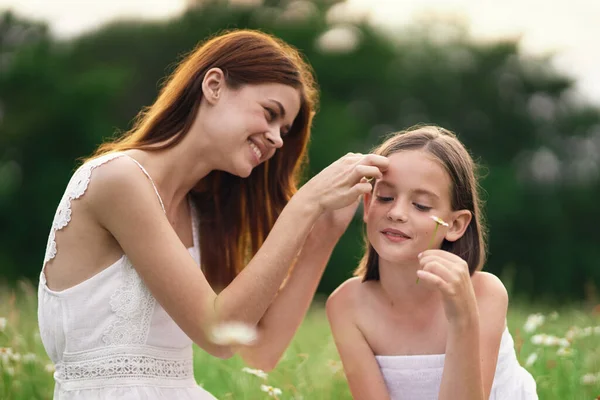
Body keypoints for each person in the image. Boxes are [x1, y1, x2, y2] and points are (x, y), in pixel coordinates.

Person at [37, 29, 389, 399]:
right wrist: (305, 205)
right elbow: (217, 332)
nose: (277, 139)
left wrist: (324, 233)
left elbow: (261, 351)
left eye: (283, 130)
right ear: (214, 85)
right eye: (270, 114)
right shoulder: (119, 180)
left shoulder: (201, 213)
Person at [326, 125, 538, 400]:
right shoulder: (346, 305)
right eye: (386, 197)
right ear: (367, 205)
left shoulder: (484, 294)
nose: (397, 213)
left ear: (456, 224)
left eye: (421, 205)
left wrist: (462, 318)